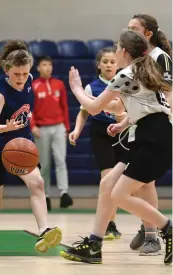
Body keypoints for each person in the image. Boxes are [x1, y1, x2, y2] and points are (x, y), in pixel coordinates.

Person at [60, 30, 172, 265]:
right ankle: (94, 244)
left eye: (117, 48)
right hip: (149, 135)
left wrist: (76, 88)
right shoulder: (144, 69)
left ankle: (167, 228)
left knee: (119, 194)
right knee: (108, 184)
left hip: (153, 138)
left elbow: (94, 108)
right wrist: (124, 122)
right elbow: (127, 105)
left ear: (123, 52)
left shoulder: (127, 74)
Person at [0, 40, 62, 253]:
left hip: (20, 147)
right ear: (7, 70)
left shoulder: (29, 80)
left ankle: (44, 230)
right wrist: (7, 127)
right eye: (17, 74)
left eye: (25, 74)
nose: (22, 79)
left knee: (37, 183)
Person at [126, 13, 172, 254]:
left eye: (134, 28)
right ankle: (149, 224)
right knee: (137, 185)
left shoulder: (159, 57)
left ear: (147, 34)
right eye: (128, 28)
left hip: (160, 125)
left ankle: (153, 233)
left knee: (145, 183)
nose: (129, 31)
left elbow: (167, 93)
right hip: (140, 125)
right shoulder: (138, 60)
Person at [69, 47, 124, 240]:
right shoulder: (92, 87)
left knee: (119, 181)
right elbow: (83, 112)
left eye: (112, 61)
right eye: (105, 62)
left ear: (118, 64)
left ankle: (112, 222)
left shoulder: (125, 83)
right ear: (98, 65)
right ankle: (108, 223)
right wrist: (77, 130)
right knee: (108, 177)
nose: (109, 65)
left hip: (122, 133)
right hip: (101, 133)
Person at [31, 56, 72, 210]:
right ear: (38, 68)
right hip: (41, 129)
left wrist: (66, 127)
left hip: (59, 127)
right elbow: (30, 109)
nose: (48, 67)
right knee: (45, 164)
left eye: (50, 64)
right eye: (44, 65)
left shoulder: (59, 84)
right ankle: (45, 195)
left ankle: (64, 193)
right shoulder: (34, 85)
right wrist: (33, 126)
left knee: (61, 160)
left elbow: (65, 106)